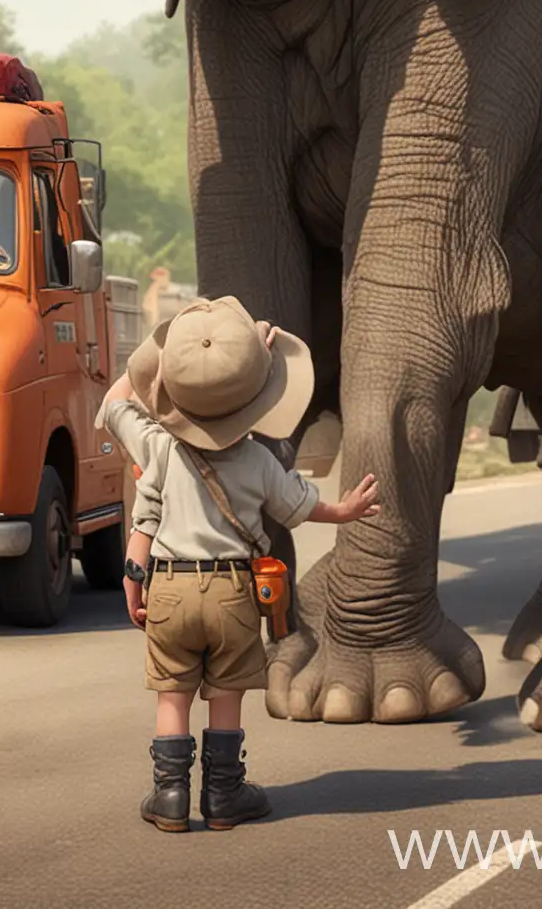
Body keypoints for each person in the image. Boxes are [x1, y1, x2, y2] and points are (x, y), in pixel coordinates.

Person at [97, 297, 380, 833]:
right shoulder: (259, 461)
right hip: (232, 590)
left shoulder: (158, 447)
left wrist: (161, 360)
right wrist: (345, 510)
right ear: (256, 397)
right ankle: (224, 795)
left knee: (173, 694)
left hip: (170, 588)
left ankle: (172, 796)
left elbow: (117, 402)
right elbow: (302, 506)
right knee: (225, 693)